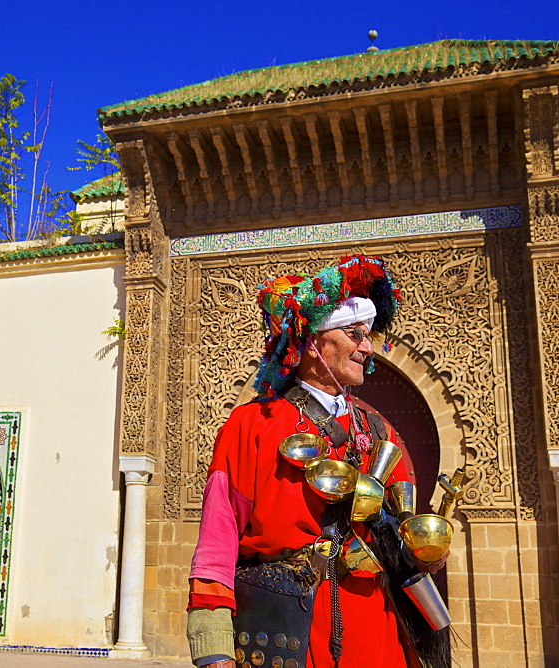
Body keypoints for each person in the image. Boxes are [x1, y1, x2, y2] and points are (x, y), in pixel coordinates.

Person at [186, 255, 446, 667]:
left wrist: (424, 549)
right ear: (311, 341)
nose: (366, 346)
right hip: (287, 632)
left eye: (368, 334)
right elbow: (218, 538)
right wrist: (213, 646)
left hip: (378, 635)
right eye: (353, 333)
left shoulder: (379, 432)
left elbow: (401, 535)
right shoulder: (252, 423)